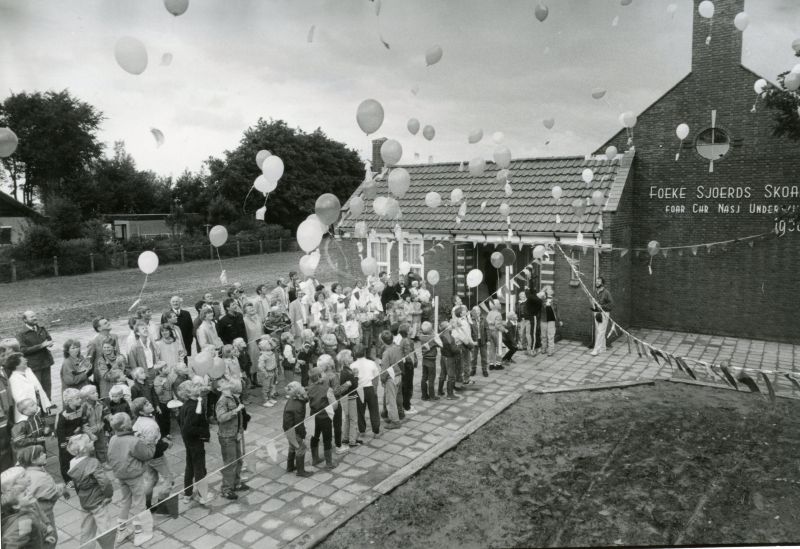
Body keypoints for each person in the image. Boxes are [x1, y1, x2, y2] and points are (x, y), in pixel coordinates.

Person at [107, 412, 155, 546]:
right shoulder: (134, 441)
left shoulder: (112, 439)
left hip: (120, 475)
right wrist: (150, 443)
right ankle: (139, 533)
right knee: (140, 503)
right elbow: (147, 455)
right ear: (125, 426)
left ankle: (121, 531)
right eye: (129, 421)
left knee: (125, 501)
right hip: (134, 475)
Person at [66, 434, 113, 549]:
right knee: (105, 529)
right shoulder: (93, 462)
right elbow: (104, 481)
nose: (93, 441)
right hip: (98, 500)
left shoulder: (72, 463)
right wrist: (108, 495)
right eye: (90, 441)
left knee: (87, 530)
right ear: (84, 448)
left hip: (84, 500)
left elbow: (77, 485)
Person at [17, 444, 68, 549]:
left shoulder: (28, 472)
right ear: (33, 460)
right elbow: (53, 494)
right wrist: (62, 488)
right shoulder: (41, 477)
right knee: (51, 539)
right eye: (41, 454)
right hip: (44, 513)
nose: (45, 455)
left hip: (32, 513)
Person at [131, 397, 173, 510]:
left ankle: (146, 505)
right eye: (146, 405)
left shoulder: (138, 421)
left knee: (151, 479)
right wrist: (166, 444)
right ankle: (162, 504)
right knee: (169, 479)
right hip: (155, 456)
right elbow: (151, 446)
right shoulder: (150, 425)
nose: (150, 404)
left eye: (149, 402)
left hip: (144, 457)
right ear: (141, 411)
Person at [177, 380, 213, 506]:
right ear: (188, 392)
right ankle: (202, 495)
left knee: (190, 467)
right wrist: (203, 432)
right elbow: (188, 428)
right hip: (195, 442)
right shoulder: (192, 407)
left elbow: (180, 421)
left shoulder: (188, 404)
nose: (196, 386)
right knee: (199, 468)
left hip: (189, 442)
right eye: (193, 386)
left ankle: (187, 494)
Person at [1, 466, 56, 548]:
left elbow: (37, 516)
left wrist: (45, 532)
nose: (28, 476)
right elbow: (13, 543)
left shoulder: (25, 503)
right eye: (23, 476)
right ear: (14, 484)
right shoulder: (23, 521)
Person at [215, 380, 248, 500]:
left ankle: (236, 483)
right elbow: (220, 417)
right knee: (230, 463)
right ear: (219, 389)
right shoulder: (222, 401)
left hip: (235, 433)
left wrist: (240, 431)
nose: (226, 382)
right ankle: (226, 489)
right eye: (223, 382)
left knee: (239, 460)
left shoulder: (233, 397)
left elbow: (240, 418)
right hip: (227, 436)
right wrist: (236, 411)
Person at [16, 310, 55, 399]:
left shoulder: (41, 328)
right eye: (31, 317)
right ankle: (41, 408)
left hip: (46, 362)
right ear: (25, 320)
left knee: (47, 384)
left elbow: (48, 339)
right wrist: (41, 346)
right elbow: (22, 350)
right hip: (33, 365)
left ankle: (49, 404)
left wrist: (50, 343)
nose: (35, 318)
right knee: (37, 386)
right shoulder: (21, 334)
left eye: (35, 316)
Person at [6, 352, 52, 423]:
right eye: (23, 360)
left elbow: (39, 388)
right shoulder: (13, 379)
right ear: (17, 365)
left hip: (39, 405)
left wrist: (46, 403)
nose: (26, 360)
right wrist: (31, 408)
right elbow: (19, 399)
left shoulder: (28, 371)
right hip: (28, 412)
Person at [307, 366, 337, 469]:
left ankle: (315, 459)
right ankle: (329, 463)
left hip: (313, 416)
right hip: (325, 417)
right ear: (320, 376)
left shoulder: (309, 388)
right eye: (323, 373)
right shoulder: (327, 389)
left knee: (314, 437)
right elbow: (334, 405)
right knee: (327, 439)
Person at [56, 388, 86, 486]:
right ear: (69, 401)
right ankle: (68, 479)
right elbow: (59, 430)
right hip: (66, 440)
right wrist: (63, 443)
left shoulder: (80, 409)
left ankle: (78, 475)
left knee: (77, 456)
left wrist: (80, 427)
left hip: (77, 438)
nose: (80, 400)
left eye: (80, 398)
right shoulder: (64, 414)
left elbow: (81, 421)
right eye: (77, 399)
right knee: (66, 460)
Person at [283, 381, 313, 477]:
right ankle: (301, 471)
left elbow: (305, 398)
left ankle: (290, 467)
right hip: (293, 429)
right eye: (301, 387)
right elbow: (299, 423)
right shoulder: (297, 406)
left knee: (292, 446)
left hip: (287, 427)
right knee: (301, 447)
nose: (303, 387)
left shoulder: (293, 398)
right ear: (299, 391)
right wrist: (302, 434)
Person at [350, 345, 381, 438]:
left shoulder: (352, 365)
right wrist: (375, 388)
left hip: (359, 390)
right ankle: (376, 432)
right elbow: (376, 376)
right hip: (370, 388)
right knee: (374, 410)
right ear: (364, 353)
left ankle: (362, 430)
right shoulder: (371, 363)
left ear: (354, 354)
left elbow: (353, 380)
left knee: (360, 411)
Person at [379, 331, 404, 429]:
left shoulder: (386, 353)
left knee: (391, 400)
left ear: (382, 341)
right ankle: (391, 415)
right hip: (398, 375)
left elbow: (384, 369)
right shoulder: (398, 348)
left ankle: (395, 421)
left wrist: (382, 379)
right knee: (393, 397)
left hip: (390, 378)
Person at [80, 385, 109, 463]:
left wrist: (112, 419)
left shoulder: (101, 403)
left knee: (102, 447)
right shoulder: (84, 408)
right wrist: (90, 434)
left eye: (96, 392)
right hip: (89, 433)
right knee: (91, 450)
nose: (96, 394)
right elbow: (83, 424)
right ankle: (94, 466)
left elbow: (107, 414)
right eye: (93, 393)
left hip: (100, 429)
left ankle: (103, 463)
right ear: (87, 397)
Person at [336, 350, 359, 448]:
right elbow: (354, 385)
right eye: (350, 357)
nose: (352, 357)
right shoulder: (349, 372)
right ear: (346, 360)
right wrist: (356, 376)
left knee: (347, 418)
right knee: (353, 419)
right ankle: (352, 440)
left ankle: (345, 438)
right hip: (351, 397)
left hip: (345, 398)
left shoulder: (343, 371)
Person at [591, 277, 613, 356]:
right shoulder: (595, 292)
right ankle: (603, 348)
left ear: (602, 283)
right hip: (596, 313)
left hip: (604, 313)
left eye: (599, 281)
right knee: (599, 331)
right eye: (596, 281)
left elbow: (611, 304)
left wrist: (602, 306)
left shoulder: (606, 292)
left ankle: (596, 349)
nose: (597, 282)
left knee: (600, 331)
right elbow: (593, 302)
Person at [418, 322, 440, 401]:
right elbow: (440, 345)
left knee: (424, 377)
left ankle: (424, 395)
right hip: (431, 360)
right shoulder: (432, 338)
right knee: (431, 378)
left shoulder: (421, 336)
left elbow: (421, 331)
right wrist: (434, 333)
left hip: (424, 359)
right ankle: (432, 396)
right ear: (431, 330)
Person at [398, 323, 417, 413]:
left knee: (406, 385)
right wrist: (412, 362)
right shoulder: (406, 341)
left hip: (406, 364)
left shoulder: (405, 340)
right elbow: (408, 355)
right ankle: (406, 406)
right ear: (407, 331)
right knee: (407, 386)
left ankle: (406, 403)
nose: (412, 329)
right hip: (407, 365)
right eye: (410, 328)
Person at [257, 338, 279, 407]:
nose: (271, 345)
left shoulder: (271, 353)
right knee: (266, 388)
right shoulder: (263, 355)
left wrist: (276, 370)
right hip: (267, 373)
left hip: (272, 372)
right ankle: (265, 401)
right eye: (269, 344)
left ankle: (269, 398)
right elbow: (260, 366)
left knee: (271, 386)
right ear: (265, 346)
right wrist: (265, 373)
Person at [470, 306, 489, 377]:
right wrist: (471, 340)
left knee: (484, 356)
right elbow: (469, 331)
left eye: (478, 310)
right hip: (474, 340)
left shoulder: (484, 319)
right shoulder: (470, 320)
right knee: (473, 357)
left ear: (480, 311)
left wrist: (488, 339)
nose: (477, 312)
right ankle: (473, 369)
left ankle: (484, 370)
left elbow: (487, 329)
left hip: (483, 340)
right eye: (475, 310)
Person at [486, 300, 504, 370]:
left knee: (491, 348)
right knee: (499, 347)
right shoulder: (498, 314)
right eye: (499, 303)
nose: (500, 304)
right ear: (496, 306)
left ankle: (491, 364)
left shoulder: (489, 313)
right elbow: (498, 325)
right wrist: (504, 329)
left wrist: (491, 322)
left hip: (490, 331)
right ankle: (498, 364)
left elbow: (487, 321)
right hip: (497, 332)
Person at [526, 284, 544, 356]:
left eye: (539, 293)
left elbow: (529, 296)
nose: (537, 293)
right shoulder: (536, 297)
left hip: (534, 317)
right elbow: (533, 291)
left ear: (541, 296)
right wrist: (530, 279)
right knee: (531, 333)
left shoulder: (538, 300)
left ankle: (533, 350)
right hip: (530, 317)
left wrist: (526, 290)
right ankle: (534, 347)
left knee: (533, 334)